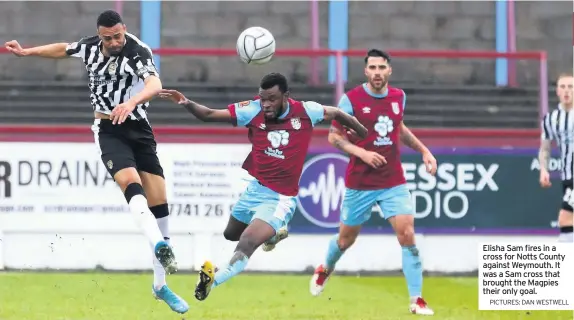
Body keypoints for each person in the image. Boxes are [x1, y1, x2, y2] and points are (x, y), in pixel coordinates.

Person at [4, 10, 188, 314]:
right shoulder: (90, 47)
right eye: (108, 38)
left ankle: (160, 285)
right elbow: (64, 49)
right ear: (99, 35)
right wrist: (26, 52)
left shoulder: (136, 51)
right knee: (131, 184)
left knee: (160, 203)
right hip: (107, 129)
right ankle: (160, 245)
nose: (115, 42)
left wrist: (131, 102)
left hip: (138, 126)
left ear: (124, 30)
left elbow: (154, 85)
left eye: (118, 35)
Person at [158, 72, 368, 301]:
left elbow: (336, 112)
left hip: (280, 198)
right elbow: (209, 114)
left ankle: (211, 281)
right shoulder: (253, 109)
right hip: (255, 190)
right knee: (231, 234)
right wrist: (185, 102)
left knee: (246, 242)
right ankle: (274, 234)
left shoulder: (306, 111)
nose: (266, 104)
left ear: (286, 96)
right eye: (263, 98)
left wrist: (363, 132)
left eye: (272, 99)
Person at [309, 49, 437, 316]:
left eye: (382, 68)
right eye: (373, 68)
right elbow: (334, 137)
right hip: (360, 182)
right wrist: (362, 153)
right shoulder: (351, 99)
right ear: (366, 71)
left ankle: (417, 299)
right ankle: (325, 269)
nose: (377, 72)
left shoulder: (398, 97)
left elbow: (398, 127)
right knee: (345, 241)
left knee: (407, 234)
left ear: (389, 70)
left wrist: (424, 151)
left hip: (393, 180)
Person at [539, 73, 574, 243]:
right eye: (563, 87)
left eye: (571, 87)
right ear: (557, 91)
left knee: (565, 219)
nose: (567, 91)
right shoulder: (551, 119)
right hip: (567, 176)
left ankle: (564, 266)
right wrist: (544, 169)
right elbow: (545, 147)